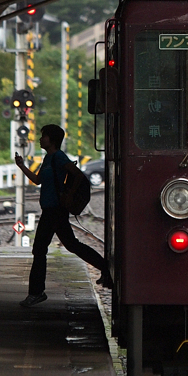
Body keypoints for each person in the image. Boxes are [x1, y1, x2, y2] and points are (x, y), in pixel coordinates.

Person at [15, 123, 113, 307]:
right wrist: (21, 166)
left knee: (39, 249)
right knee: (71, 244)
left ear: (52, 140)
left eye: (43, 136)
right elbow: (37, 180)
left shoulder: (59, 157)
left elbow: (78, 175)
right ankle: (105, 268)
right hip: (51, 211)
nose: (40, 139)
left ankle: (36, 292)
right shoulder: (48, 158)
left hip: (55, 210)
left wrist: (68, 195)